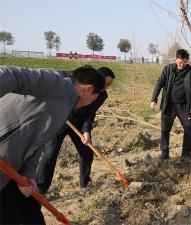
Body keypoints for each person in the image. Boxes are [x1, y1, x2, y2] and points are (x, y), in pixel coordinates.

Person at [0, 65, 105, 224]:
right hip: (3, 159)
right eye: (95, 98)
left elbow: (39, 141)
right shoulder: (55, 82)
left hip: (13, 167)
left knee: (31, 212)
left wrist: (28, 174)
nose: (92, 102)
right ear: (88, 89)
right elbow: (10, 74)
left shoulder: (66, 107)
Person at [36, 67, 115, 194]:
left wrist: (86, 131)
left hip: (78, 124)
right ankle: (40, 188)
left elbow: (90, 114)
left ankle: (85, 184)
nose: (107, 87)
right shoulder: (77, 81)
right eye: (107, 84)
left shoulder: (102, 95)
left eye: (109, 85)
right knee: (49, 155)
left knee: (87, 153)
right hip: (59, 121)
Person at [151, 49, 191, 163]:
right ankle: (164, 154)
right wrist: (154, 99)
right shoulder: (168, 69)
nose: (181, 65)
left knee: (188, 128)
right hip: (168, 105)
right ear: (176, 59)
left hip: (183, 106)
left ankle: (186, 154)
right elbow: (159, 83)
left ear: (187, 60)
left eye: (184, 62)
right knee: (165, 129)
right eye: (180, 62)